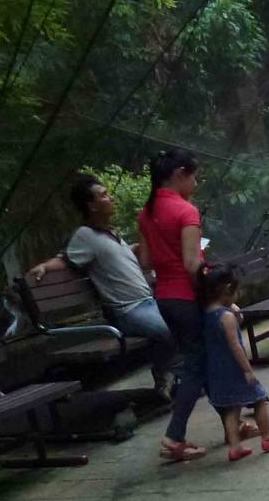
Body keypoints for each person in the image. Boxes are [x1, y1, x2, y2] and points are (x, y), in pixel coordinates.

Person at [26, 174, 178, 407]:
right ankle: (167, 380)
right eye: (104, 195)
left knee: (186, 318)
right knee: (170, 328)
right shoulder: (85, 235)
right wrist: (46, 266)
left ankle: (175, 378)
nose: (111, 197)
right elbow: (67, 260)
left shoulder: (111, 233)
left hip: (148, 302)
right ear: (91, 205)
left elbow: (120, 258)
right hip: (128, 311)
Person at [137, 148, 212, 463]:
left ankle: (235, 422)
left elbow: (144, 261)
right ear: (180, 174)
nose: (195, 182)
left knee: (200, 361)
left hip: (165, 298)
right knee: (196, 366)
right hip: (187, 297)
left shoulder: (146, 212)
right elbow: (193, 264)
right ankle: (174, 435)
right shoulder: (186, 211)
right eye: (193, 176)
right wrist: (214, 298)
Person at [198, 264, 269, 461]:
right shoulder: (226, 317)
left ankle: (235, 447)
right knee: (259, 399)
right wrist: (247, 370)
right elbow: (235, 346)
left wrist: (232, 308)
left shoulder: (206, 314)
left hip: (217, 370)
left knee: (232, 408)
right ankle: (268, 438)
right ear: (227, 291)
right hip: (235, 368)